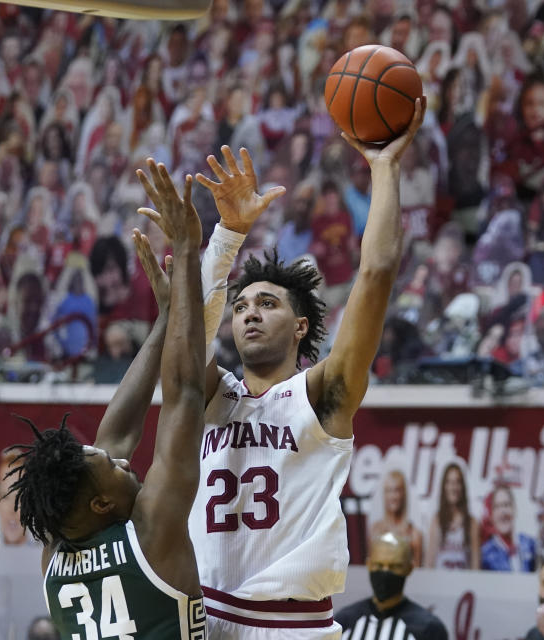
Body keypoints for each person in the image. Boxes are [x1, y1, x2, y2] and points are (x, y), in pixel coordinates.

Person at [186, 97, 424, 638]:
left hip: (291, 625)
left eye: (267, 304)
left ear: (299, 327)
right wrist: (227, 236)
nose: (249, 313)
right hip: (208, 622)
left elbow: (377, 271)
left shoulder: (322, 395)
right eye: (241, 305)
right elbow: (185, 336)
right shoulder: (209, 394)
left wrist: (384, 168)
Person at [6, 158, 207, 638]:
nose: (123, 462)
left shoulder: (55, 555)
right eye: (114, 467)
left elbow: (113, 437)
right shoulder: (152, 531)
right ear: (100, 505)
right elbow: (185, 394)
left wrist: (162, 321)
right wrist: (187, 256)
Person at [335, 532, 447, 640]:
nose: (385, 572)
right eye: (378, 565)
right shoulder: (344, 621)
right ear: (368, 565)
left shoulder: (429, 629)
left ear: (409, 568)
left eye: (394, 566)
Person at [426, 462, 480, 569]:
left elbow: (476, 566)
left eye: (457, 482)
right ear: (444, 487)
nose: (453, 487)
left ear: (462, 487)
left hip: (463, 584)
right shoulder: (437, 520)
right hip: (440, 583)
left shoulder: (472, 523)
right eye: (449, 482)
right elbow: (429, 562)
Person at [369, 470, 424, 567]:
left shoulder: (414, 534)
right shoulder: (375, 530)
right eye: (389, 490)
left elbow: (418, 573)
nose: (393, 496)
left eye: (397, 490)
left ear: (403, 494)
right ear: (384, 495)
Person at [481, 484, 537, 572]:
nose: (503, 511)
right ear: (491, 515)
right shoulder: (485, 554)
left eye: (506, 505)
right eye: (497, 507)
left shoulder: (530, 544)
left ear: (514, 509)